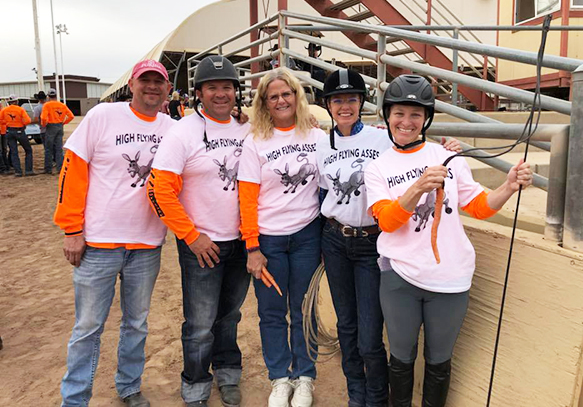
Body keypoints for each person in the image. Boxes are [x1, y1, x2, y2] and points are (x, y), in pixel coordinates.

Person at [364, 74, 533, 407]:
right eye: (399, 113)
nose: (406, 122)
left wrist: (509, 186)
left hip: (451, 280)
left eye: (416, 114)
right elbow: (386, 222)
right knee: (401, 357)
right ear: (387, 116)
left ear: (426, 118)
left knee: (439, 360)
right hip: (400, 277)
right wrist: (417, 188)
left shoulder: (448, 156)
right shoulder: (377, 167)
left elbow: (479, 207)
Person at [316, 69, 461, 407]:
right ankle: (357, 394)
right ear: (328, 105)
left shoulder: (382, 137)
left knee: (369, 334)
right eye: (337, 100)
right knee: (346, 326)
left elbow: (416, 146)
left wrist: (447, 147)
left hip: (371, 241)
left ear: (362, 102)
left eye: (352, 99)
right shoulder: (322, 145)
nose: (345, 106)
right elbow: (322, 193)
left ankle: (377, 399)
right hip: (335, 238)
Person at [54, 59, 174, 407]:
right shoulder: (102, 116)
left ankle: (129, 386)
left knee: (137, 323)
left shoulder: (173, 128)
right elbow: (72, 171)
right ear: (131, 85)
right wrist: (71, 228)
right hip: (98, 244)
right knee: (88, 327)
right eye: (144, 80)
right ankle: (75, 399)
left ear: (167, 89)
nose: (152, 87)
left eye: (158, 81)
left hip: (147, 244)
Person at [147, 55, 250, 407]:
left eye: (227, 87)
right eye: (212, 87)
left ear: (236, 92)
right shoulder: (182, 133)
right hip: (202, 244)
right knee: (200, 323)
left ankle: (228, 371)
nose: (221, 94)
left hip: (241, 241)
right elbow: (159, 190)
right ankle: (195, 382)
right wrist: (191, 236)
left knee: (230, 315)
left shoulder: (247, 128)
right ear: (199, 93)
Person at [238, 68, 326, 407]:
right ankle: (279, 377)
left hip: (307, 235)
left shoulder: (316, 137)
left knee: (304, 310)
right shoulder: (255, 141)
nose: (280, 100)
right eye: (273, 96)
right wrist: (252, 246)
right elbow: (247, 198)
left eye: (286, 94)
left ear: (296, 96)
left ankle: (304, 377)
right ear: (264, 103)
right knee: (272, 312)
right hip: (269, 240)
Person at [41, 88, 75, 174]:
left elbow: (43, 118)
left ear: (48, 96)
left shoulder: (47, 105)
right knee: (59, 149)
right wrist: (63, 123)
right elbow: (71, 116)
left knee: (48, 149)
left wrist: (44, 124)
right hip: (59, 126)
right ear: (56, 96)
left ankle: (48, 168)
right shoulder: (62, 105)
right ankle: (60, 168)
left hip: (51, 126)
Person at [0, 95, 33, 176]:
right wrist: (22, 124)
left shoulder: (4, 110)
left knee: (14, 152)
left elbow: (1, 120)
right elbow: (28, 120)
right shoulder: (20, 109)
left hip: (9, 131)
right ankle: (28, 170)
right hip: (19, 130)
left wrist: (7, 123)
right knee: (28, 150)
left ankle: (18, 171)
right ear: (16, 101)